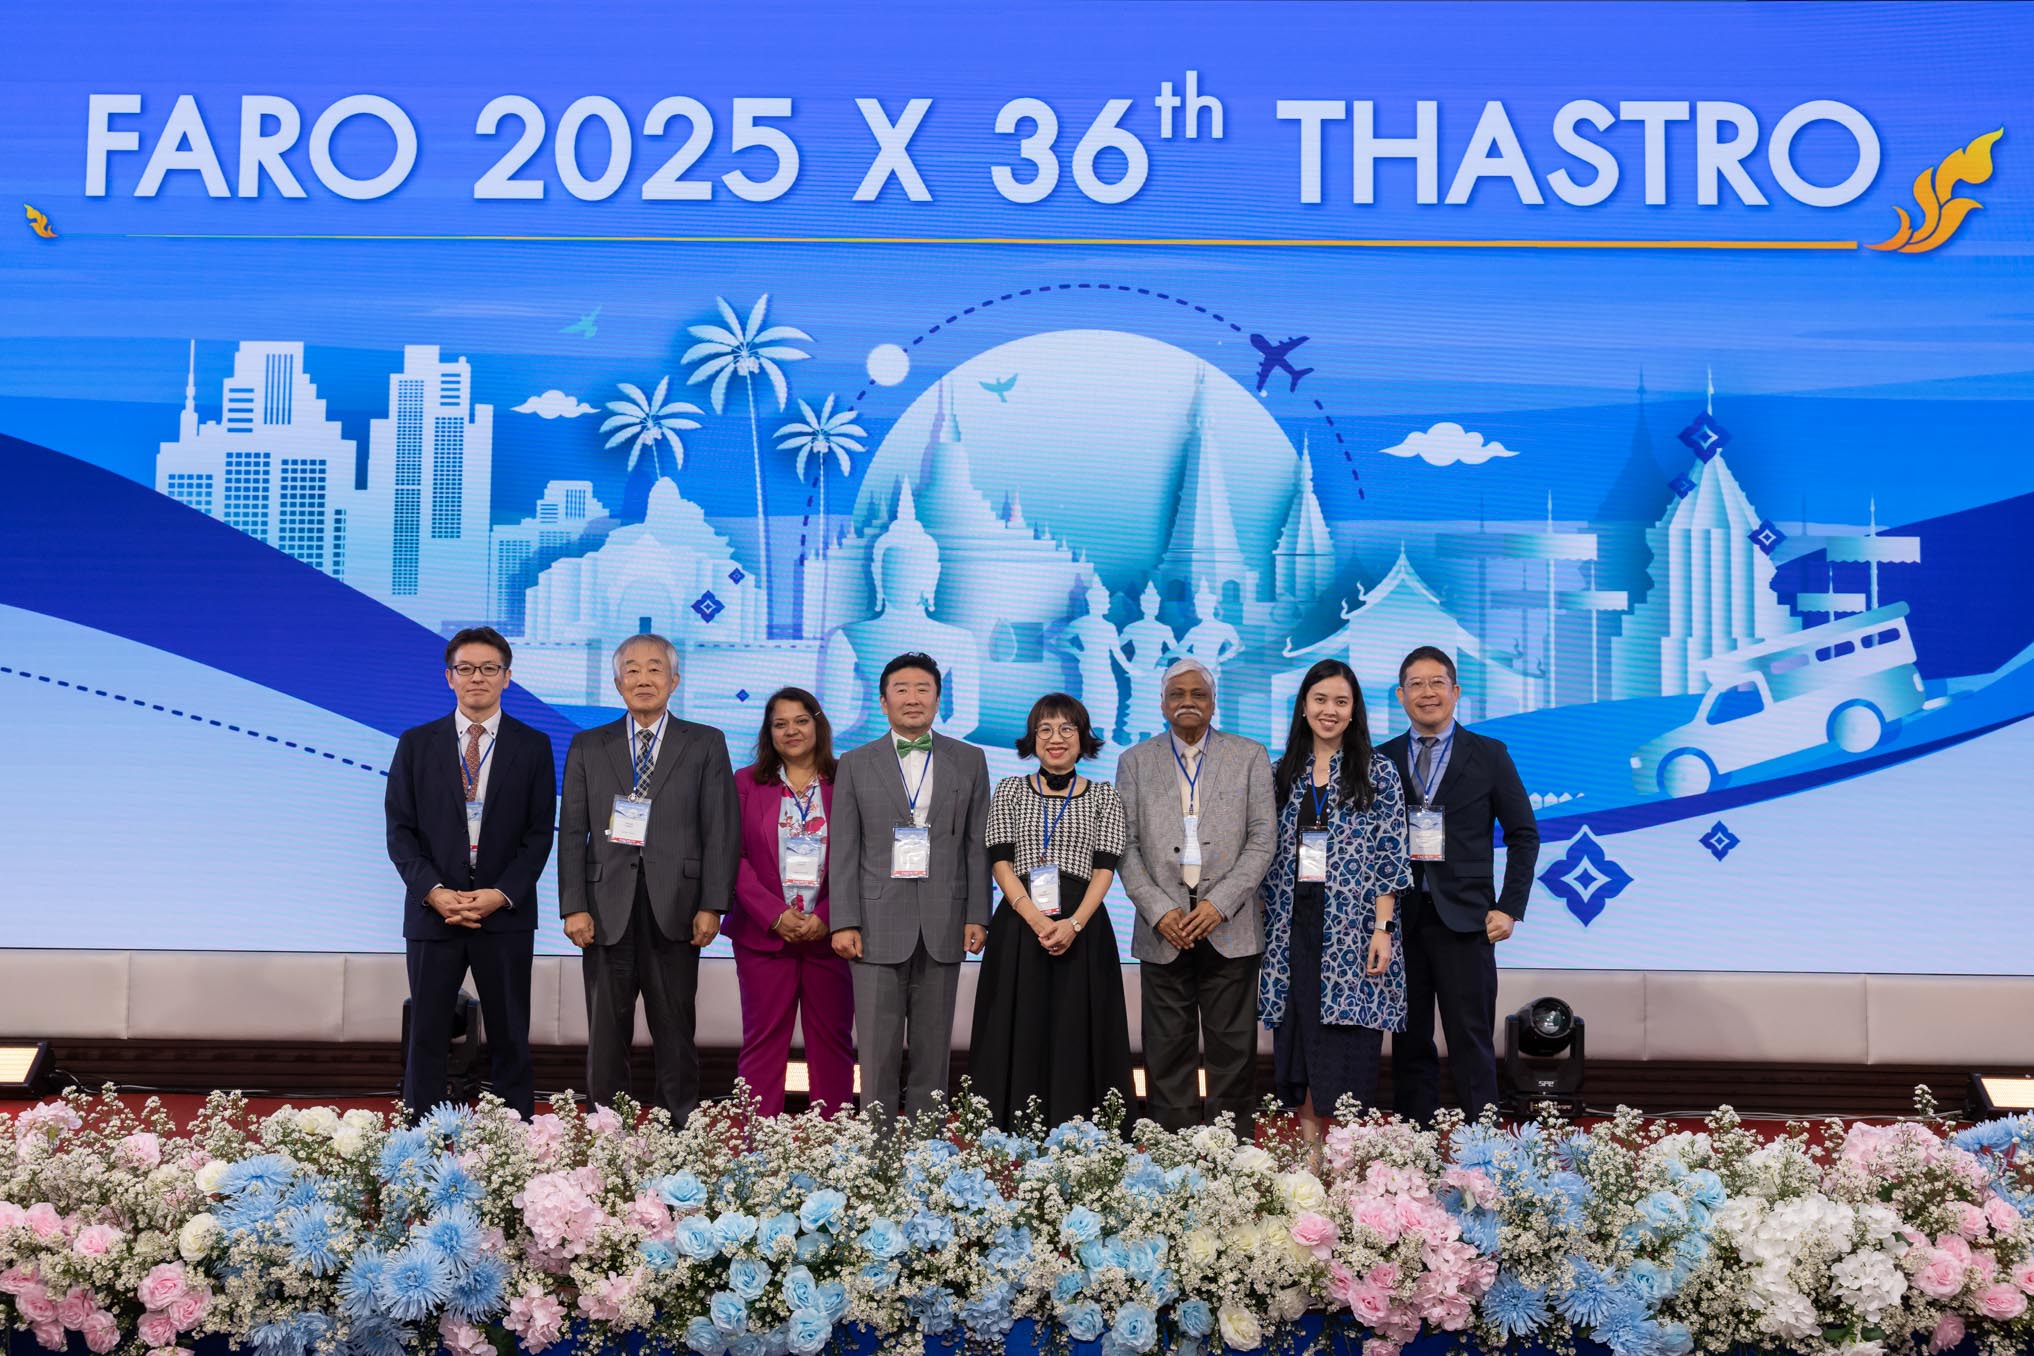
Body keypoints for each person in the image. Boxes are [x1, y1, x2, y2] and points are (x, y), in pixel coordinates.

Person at [558, 634, 737, 1125]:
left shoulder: (705, 742)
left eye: (655, 669)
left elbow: (720, 829)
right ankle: (606, 1130)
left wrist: (713, 904)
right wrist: (573, 905)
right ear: (618, 683)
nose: (643, 679)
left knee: (675, 1026)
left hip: (678, 905)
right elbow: (571, 830)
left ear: (674, 680)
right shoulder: (588, 745)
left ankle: (677, 1129)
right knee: (605, 1030)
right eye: (632, 670)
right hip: (603, 907)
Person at [385, 627, 556, 1119]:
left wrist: (501, 893)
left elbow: (539, 835)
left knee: (510, 1033)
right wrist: (434, 891)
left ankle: (512, 1139)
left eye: (488, 669)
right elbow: (400, 831)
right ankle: (421, 1136)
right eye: (465, 668)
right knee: (427, 1033)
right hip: (433, 913)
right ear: (449, 677)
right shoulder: (416, 744)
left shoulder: (534, 745)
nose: (476, 677)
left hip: (503, 914)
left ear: (507, 677)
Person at [1379, 645, 1540, 1125]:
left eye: (1437, 683)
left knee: (1471, 1040)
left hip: (1468, 920)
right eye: (1416, 685)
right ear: (1400, 695)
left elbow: (1523, 835)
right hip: (1400, 921)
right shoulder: (1381, 759)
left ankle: (1482, 1148)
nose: (1427, 693)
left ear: (1455, 691)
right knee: (1408, 1041)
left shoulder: (1489, 754)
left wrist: (1509, 907)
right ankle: (1414, 1147)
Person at [1116, 657, 1277, 1134]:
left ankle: (1232, 1154)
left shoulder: (1249, 755)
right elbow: (1124, 845)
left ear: (1213, 702)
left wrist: (1218, 904)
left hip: (1230, 925)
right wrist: (1159, 909)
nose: (1188, 702)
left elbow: (1263, 839)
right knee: (1166, 1050)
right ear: (1163, 703)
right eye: (1177, 694)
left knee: (1233, 1050)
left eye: (1198, 694)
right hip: (1162, 928)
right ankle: (1173, 1153)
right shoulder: (1134, 761)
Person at [828, 652, 990, 1119]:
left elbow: (976, 845)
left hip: (945, 920)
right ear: (883, 702)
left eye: (923, 689)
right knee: (876, 1053)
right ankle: (877, 1152)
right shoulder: (855, 762)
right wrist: (844, 921)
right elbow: (845, 848)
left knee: (933, 1054)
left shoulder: (970, 759)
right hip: (874, 925)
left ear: (938, 699)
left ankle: (927, 1153)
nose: (913, 698)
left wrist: (978, 914)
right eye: (901, 689)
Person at [969, 693, 1136, 1131]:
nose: (1055, 738)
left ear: (1083, 739)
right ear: (1032, 738)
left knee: (1076, 1027)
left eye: (1066, 729)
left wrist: (1074, 924)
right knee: (1018, 1025)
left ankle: (1081, 1136)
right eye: (1045, 729)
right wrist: (1035, 918)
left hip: (1083, 927)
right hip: (1020, 925)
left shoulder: (1104, 796)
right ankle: (1009, 1135)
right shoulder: (1009, 789)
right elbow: (1000, 862)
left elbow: (1105, 869)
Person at [1260, 659, 1410, 1144]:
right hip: (1291, 926)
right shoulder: (1280, 773)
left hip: (1353, 929)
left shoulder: (1378, 771)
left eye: (1341, 702)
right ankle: (1311, 1160)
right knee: (1300, 1044)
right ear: (1304, 706)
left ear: (1354, 710)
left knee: (1348, 1048)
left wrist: (1383, 929)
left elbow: (1390, 854)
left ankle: (1348, 1162)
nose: (1330, 710)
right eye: (1320, 699)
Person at [729, 688, 856, 1117]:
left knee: (833, 1042)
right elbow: (733, 858)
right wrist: (774, 915)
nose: (791, 731)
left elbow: (863, 855)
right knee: (762, 1041)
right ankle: (756, 1143)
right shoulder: (746, 783)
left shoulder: (848, 779)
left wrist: (827, 916)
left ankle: (835, 1143)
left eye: (801, 720)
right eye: (780, 724)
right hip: (763, 937)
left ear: (818, 724)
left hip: (831, 938)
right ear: (769, 732)